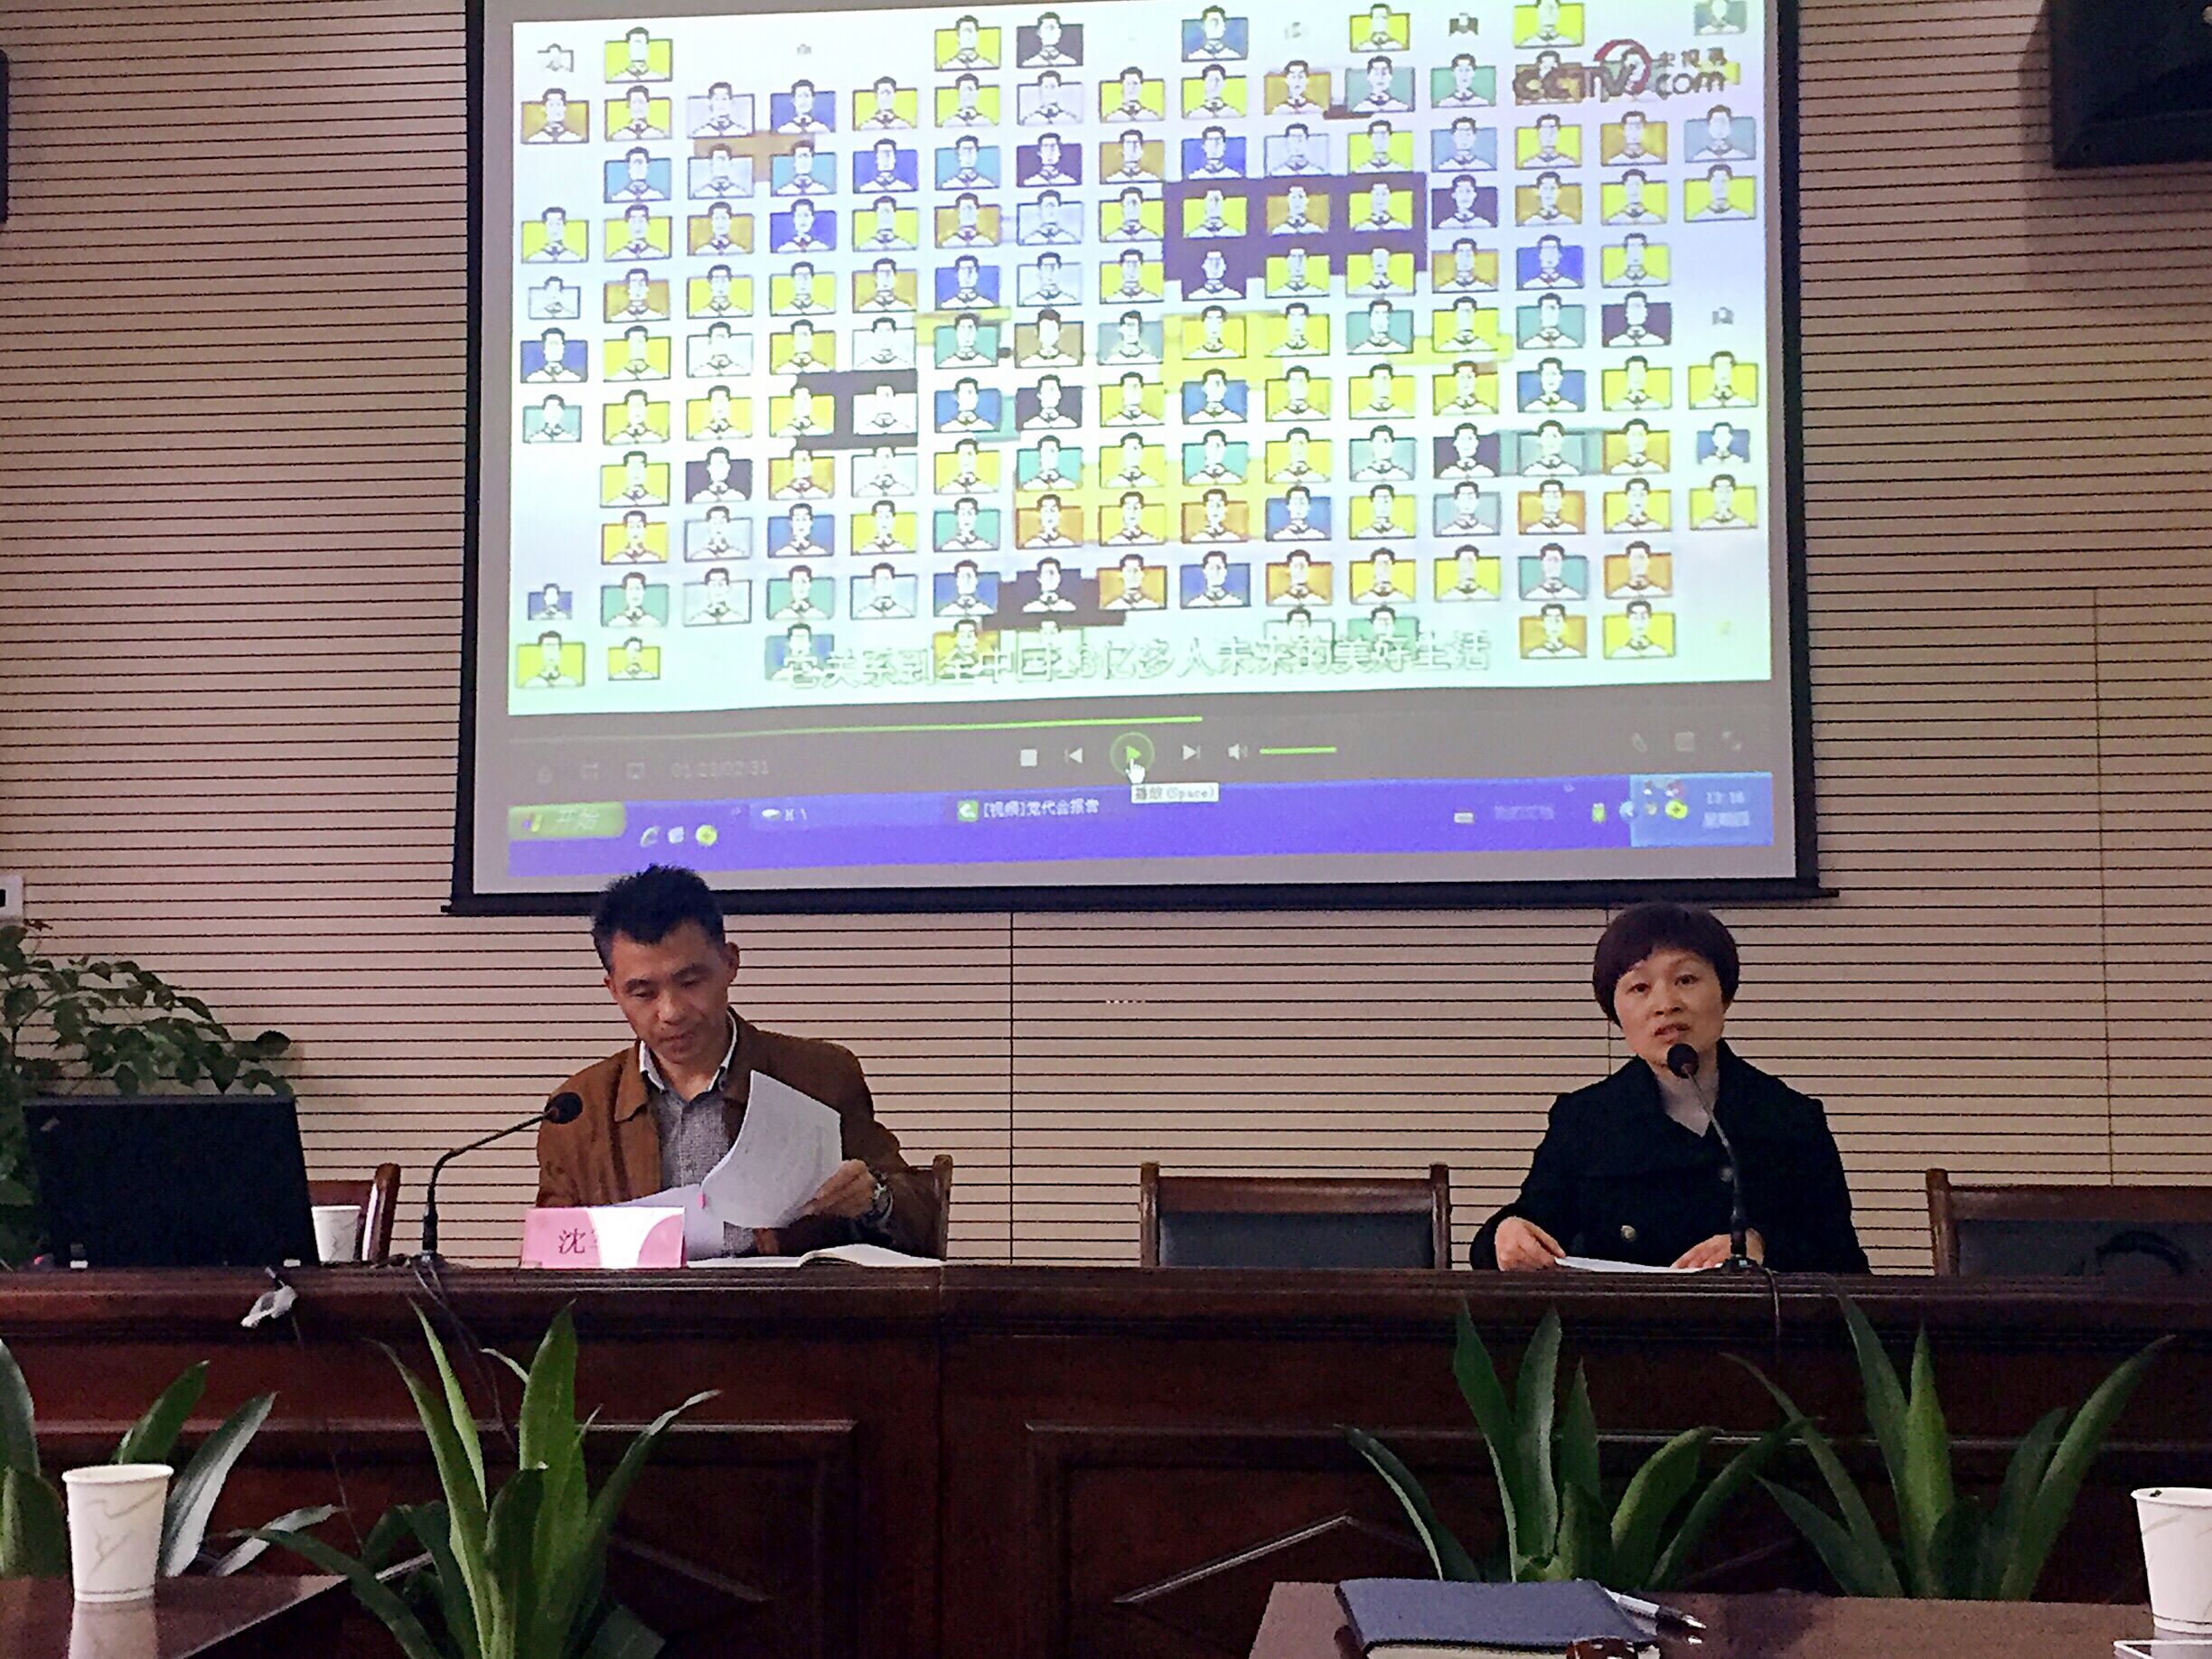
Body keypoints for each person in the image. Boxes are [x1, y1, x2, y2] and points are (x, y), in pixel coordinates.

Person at [537, 866, 942, 1258]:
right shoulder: (578, 1111)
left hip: (787, 1303)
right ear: (613, 990)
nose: (671, 1012)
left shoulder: (820, 1076)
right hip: (640, 1307)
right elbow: (551, 1259)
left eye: (690, 982)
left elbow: (920, 1221)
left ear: (730, 963)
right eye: (643, 993)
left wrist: (873, 1199)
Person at [1474, 904, 1870, 1274]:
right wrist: (1505, 1234)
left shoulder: (1788, 1117)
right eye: (1639, 988)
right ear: (1615, 1012)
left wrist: (1764, 1248)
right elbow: (1530, 1225)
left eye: (1686, 980)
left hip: (1756, 1325)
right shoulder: (1586, 1120)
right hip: (1623, 1324)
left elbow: (1845, 1265)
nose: (1666, 1004)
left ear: (1725, 993)